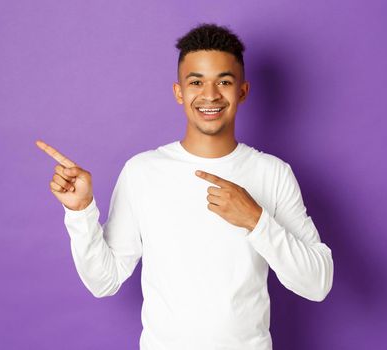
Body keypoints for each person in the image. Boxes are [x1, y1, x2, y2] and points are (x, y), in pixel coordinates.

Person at [36, 23, 333, 350]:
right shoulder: (142, 172)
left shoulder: (272, 173)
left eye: (224, 81)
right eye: (196, 82)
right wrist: (80, 213)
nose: (210, 95)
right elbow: (103, 281)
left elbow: (317, 283)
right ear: (179, 92)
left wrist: (255, 219)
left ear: (243, 91)